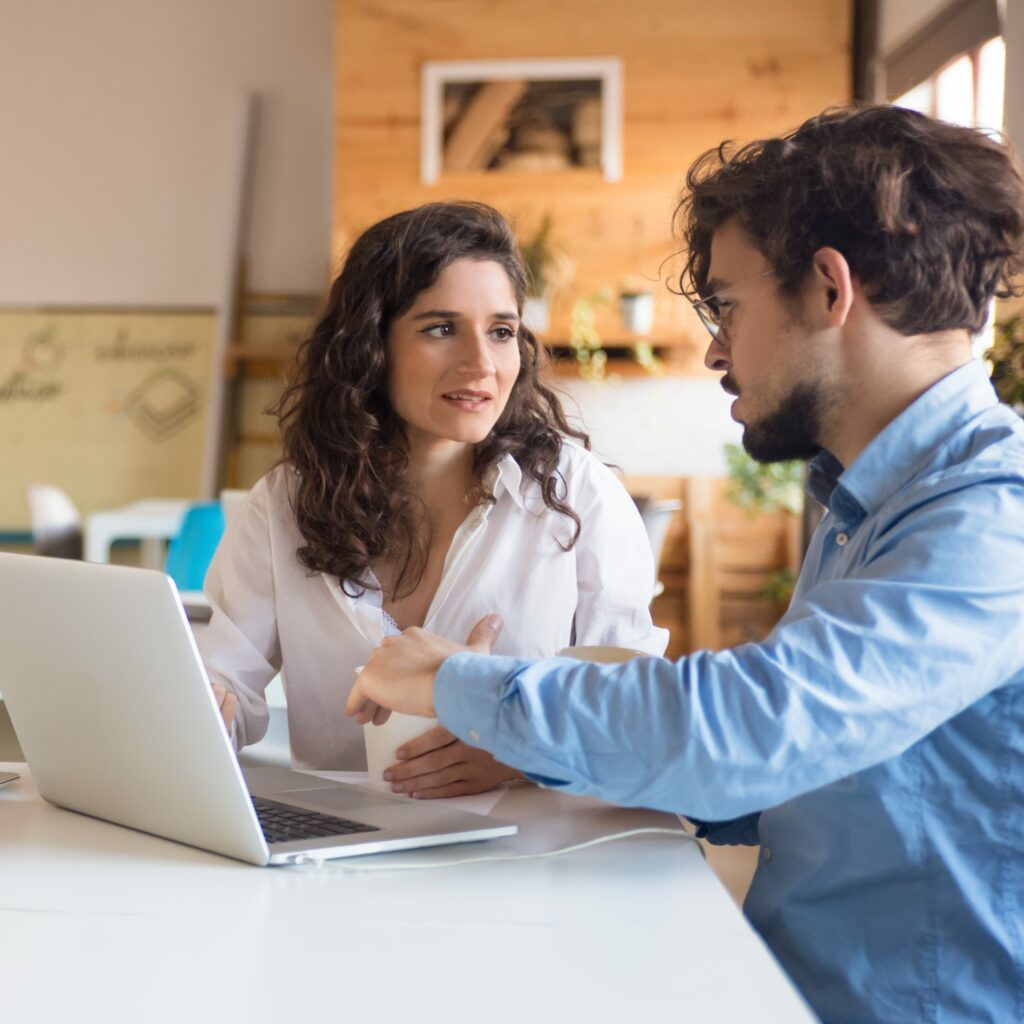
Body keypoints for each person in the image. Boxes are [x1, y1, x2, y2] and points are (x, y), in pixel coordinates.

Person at [346, 106, 1024, 1023]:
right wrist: (549, 750)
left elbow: (751, 732)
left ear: (830, 290)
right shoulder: (873, 497)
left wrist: (457, 682)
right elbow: (820, 777)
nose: (714, 348)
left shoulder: (992, 518)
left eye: (728, 307)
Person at [199, 201, 667, 798]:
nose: (481, 364)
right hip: (338, 859)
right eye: (441, 329)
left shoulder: (577, 495)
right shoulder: (285, 503)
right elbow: (225, 684)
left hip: (530, 858)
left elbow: (636, 707)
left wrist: (521, 750)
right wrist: (205, 711)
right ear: (371, 345)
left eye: (501, 332)